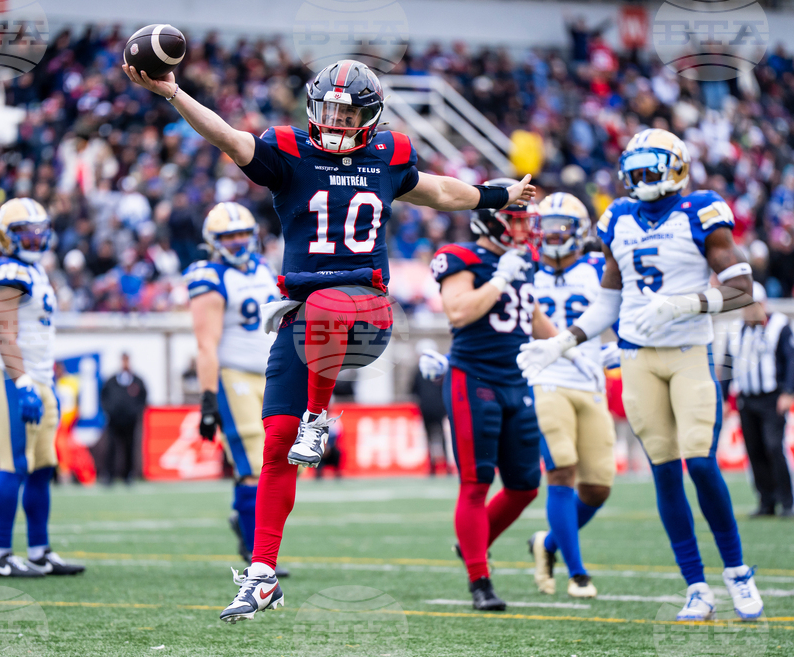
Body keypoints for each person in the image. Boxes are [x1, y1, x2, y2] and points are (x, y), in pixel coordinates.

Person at [124, 57, 536, 623]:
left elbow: (439, 190)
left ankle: (321, 418)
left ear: (369, 116)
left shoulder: (389, 154)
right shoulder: (289, 150)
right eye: (329, 108)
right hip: (303, 318)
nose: (336, 119)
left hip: (366, 309)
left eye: (348, 111)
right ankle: (263, 574)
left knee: (325, 306)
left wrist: (495, 195)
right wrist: (173, 94)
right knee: (275, 444)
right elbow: (226, 135)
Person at [518, 128, 764, 621]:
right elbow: (608, 300)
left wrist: (686, 304)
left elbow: (742, 288)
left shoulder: (701, 211)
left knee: (700, 462)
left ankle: (737, 572)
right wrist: (564, 341)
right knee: (665, 472)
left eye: (652, 166)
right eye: (636, 167)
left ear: (676, 168)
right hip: (636, 357)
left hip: (690, 350)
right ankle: (696, 585)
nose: (641, 176)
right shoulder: (618, 217)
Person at [421, 184, 603, 610]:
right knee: (476, 482)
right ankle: (479, 579)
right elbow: (459, 311)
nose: (525, 228)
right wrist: (500, 277)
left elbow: (534, 319)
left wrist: (578, 351)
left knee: (524, 486)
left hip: (517, 381)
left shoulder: (521, 262)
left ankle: (473, 544)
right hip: (474, 379)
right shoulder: (463, 257)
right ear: (492, 219)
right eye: (517, 218)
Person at [0, 197, 84, 578]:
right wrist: (22, 382)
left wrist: (41, 382)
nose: (35, 238)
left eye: (39, 231)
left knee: (42, 467)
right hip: (10, 376)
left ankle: (39, 551)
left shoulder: (36, 271)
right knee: (14, 465)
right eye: (25, 232)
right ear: (6, 237)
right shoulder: (6, 270)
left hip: (38, 378)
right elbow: (5, 335)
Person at [523, 192, 617, 599]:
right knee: (561, 470)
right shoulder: (524, 269)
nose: (553, 234)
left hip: (591, 380)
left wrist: (624, 347)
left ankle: (546, 545)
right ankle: (578, 574)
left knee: (598, 487)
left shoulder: (599, 267)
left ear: (579, 231)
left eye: (562, 225)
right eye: (546, 226)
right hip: (545, 378)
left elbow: (623, 310)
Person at [185, 203, 283, 572]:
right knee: (254, 466)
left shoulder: (264, 269)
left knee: (286, 461)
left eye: (243, 233)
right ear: (214, 240)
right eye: (229, 236)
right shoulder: (208, 276)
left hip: (271, 373)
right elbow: (206, 344)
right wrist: (208, 399)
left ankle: (241, 516)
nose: (239, 242)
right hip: (233, 375)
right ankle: (256, 553)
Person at [724, 282, 794, 518]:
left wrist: (788, 391)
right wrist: (725, 398)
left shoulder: (779, 325)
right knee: (754, 450)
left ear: (763, 304)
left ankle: (788, 501)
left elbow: (791, 359)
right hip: (746, 399)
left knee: (774, 446)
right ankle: (766, 500)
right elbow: (727, 367)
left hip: (772, 398)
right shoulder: (734, 330)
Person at [100, 352, 148, 484]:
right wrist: (110, 411)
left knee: (129, 447)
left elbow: (143, 399)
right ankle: (109, 475)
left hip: (130, 421)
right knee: (111, 447)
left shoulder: (137, 381)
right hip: (114, 420)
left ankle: (128, 475)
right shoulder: (112, 380)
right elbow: (104, 396)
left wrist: (134, 412)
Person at [410, 340, 449, 476]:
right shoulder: (441, 371)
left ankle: (433, 466)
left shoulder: (418, 371)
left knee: (431, 437)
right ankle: (444, 466)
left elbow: (413, 391)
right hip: (439, 407)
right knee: (440, 436)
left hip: (426, 408)